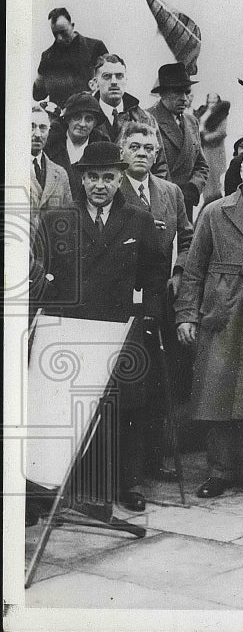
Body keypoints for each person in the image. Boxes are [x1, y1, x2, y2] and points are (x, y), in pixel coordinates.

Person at [34, 142, 168, 512]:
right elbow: (41, 271)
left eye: (109, 177)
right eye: (93, 176)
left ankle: (128, 483)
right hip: (69, 330)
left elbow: (155, 274)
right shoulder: (57, 219)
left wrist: (148, 315)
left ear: (120, 178)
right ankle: (56, 486)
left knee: (124, 407)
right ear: (81, 177)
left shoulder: (138, 219)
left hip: (119, 329)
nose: (100, 184)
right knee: (68, 408)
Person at [176, 145, 243, 498]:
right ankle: (219, 470)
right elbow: (192, 270)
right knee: (216, 390)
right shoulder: (214, 212)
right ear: (240, 172)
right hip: (220, 311)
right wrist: (186, 316)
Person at [118, 121, 194, 482]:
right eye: (135, 146)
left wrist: (179, 273)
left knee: (160, 384)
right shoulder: (111, 188)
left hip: (161, 300)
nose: (142, 153)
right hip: (123, 303)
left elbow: (189, 238)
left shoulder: (171, 192)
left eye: (149, 148)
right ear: (122, 151)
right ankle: (123, 465)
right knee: (128, 381)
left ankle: (153, 459)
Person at [89, 54, 170, 180]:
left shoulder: (145, 119)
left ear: (126, 79)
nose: (114, 82)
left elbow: (160, 167)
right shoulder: (85, 118)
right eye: (107, 76)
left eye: (119, 76)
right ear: (95, 82)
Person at [146, 63, 210, 217]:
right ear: (162, 94)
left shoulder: (191, 121)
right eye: (177, 91)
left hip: (186, 203)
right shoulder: (147, 119)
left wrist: (193, 188)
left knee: (186, 240)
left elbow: (202, 164)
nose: (184, 98)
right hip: (159, 203)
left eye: (186, 92)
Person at [44, 92, 111, 204]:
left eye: (88, 119)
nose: (82, 124)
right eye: (77, 117)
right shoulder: (50, 145)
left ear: (95, 123)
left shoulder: (102, 149)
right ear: (67, 119)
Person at [33, 7, 109, 105]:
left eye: (63, 32)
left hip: (89, 113)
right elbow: (38, 95)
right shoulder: (47, 57)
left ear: (72, 26)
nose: (59, 38)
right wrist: (40, 77)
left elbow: (109, 80)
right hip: (60, 117)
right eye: (55, 34)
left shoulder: (96, 47)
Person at [30, 104, 73, 225]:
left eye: (42, 128)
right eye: (31, 127)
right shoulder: (10, 169)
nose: (37, 134)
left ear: (49, 132)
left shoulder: (60, 174)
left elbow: (68, 219)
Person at [195, 92, 230, 205]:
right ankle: (208, 200)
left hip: (216, 150)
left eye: (214, 101)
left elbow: (221, 132)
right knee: (207, 175)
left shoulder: (221, 115)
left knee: (217, 175)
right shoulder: (203, 112)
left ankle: (216, 199)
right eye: (210, 101)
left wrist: (205, 137)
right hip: (205, 149)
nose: (212, 104)